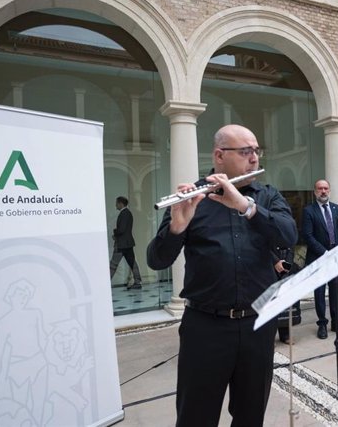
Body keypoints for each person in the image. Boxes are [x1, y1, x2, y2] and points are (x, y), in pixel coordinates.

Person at [146, 124, 297, 426]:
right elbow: (157, 260)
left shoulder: (266, 196)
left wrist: (246, 206)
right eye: (245, 151)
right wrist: (177, 227)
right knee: (196, 416)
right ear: (219, 155)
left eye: (256, 150)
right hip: (205, 327)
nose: (254, 158)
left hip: (257, 323)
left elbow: (288, 235)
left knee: (251, 414)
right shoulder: (192, 199)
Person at [302, 179, 338, 339]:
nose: (323, 191)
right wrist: (325, 252)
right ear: (315, 191)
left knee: (336, 291)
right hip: (318, 258)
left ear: (329, 190)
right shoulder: (309, 211)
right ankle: (322, 323)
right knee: (320, 293)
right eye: (320, 188)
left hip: (336, 259)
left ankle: (337, 322)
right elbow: (308, 236)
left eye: (326, 188)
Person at [109, 196, 142, 289]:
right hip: (127, 243)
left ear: (121, 203)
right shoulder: (127, 213)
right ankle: (138, 281)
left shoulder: (124, 214)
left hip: (121, 244)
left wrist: (115, 232)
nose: (116, 205)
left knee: (113, 264)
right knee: (132, 262)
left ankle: (106, 282)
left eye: (116, 203)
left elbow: (122, 229)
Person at [272, 246, 301, 344]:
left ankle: (285, 334)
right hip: (269, 264)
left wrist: (287, 265)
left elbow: (291, 246)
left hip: (286, 264)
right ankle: (270, 336)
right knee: (271, 304)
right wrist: (275, 262)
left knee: (285, 301)